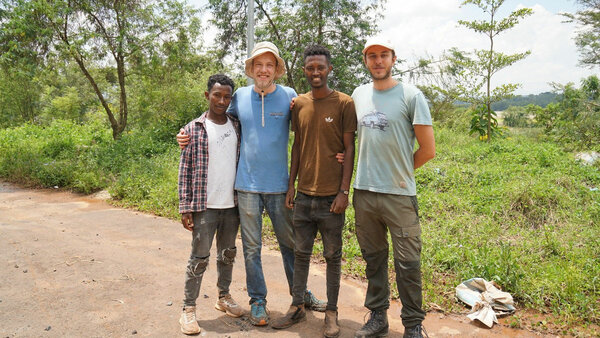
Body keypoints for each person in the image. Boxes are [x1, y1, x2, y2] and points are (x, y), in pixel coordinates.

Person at [177, 41, 326, 326]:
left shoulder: (290, 97)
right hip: (245, 187)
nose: (264, 70)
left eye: (269, 65)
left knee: (290, 244)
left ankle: (301, 294)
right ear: (252, 69)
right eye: (258, 65)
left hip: (281, 186)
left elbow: (310, 128)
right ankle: (258, 301)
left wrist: (337, 151)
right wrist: (185, 132)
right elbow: (214, 117)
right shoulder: (239, 97)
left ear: (277, 70)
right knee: (251, 248)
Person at [351, 37, 436, 338]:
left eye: (383, 55)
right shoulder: (359, 94)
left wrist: (399, 172)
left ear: (393, 59)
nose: (377, 61)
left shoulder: (411, 96)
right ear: (365, 61)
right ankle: (377, 317)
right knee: (373, 258)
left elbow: (427, 149)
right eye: (371, 56)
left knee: (408, 262)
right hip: (363, 193)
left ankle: (413, 325)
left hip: (399, 195)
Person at [271, 45, 356, 338]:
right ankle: (297, 306)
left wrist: (344, 192)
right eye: (310, 68)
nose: (316, 72)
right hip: (304, 196)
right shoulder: (300, 104)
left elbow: (349, 147)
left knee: (333, 256)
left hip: (332, 197)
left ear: (329, 69)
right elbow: (297, 146)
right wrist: (291, 185)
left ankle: (331, 313)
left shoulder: (344, 103)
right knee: (301, 253)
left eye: (320, 67)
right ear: (305, 71)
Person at [178, 74, 245, 335]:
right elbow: (185, 169)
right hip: (205, 206)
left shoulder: (237, 126)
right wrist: (186, 206)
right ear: (207, 96)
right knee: (199, 257)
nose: (222, 100)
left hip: (232, 205)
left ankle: (223, 296)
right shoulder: (193, 128)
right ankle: (188, 308)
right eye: (217, 95)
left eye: (227, 96)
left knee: (227, 254)